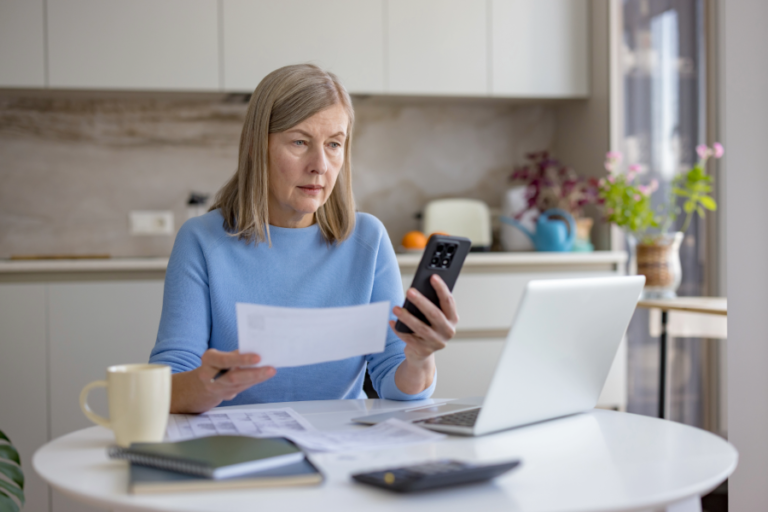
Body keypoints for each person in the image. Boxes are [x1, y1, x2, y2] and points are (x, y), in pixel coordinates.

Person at [149, 64, 459, 414]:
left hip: (342, 439)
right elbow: (168, 385)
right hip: (238, 438)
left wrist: (420, 358)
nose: (320, 165)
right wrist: (209, 385)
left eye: (334, 144)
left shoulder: (368, 239)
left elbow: (396, 383)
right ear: (255, 146)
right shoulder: (202, 241)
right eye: (299, 142)